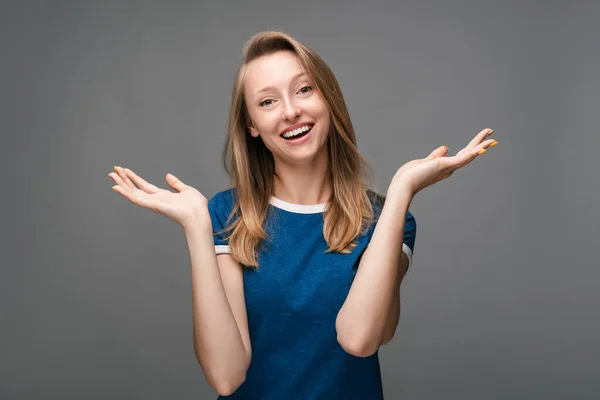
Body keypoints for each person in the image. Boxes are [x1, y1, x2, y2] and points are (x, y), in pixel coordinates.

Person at [108, 31, 498, 399]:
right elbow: (226, 377)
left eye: (304, 89)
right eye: (267, 101)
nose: (291, 111)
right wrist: (196, 226)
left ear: (327, 98)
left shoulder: (387, 219)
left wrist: (401, 191)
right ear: (252, 126)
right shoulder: (225, 214)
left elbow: (359, 338)